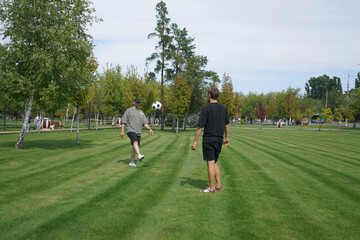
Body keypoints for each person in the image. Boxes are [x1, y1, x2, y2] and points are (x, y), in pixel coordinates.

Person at [191, 87, 230, 193]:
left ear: (209, 95)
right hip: (219, 139)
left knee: (210, 163)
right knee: (214, 162)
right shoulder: (224, 108)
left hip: (209, 139)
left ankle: (212, 188)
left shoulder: (206, 109)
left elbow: (200, 127)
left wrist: (195, 141)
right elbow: (227, 125)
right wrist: (226, 137)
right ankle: (218, 185)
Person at [121, 98, 153, 167]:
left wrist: (149, 128)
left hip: (138, 131)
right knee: (135, 141)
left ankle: (131, 162)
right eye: (137, 102)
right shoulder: (129, 110)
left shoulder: (141, 112)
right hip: (130, 129)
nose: (138, 104)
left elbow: (145, 123)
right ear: (134, 102)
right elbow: (124, 122)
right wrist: (122, 131)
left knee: (135, 147)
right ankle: (139, 155)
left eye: (139, 103)